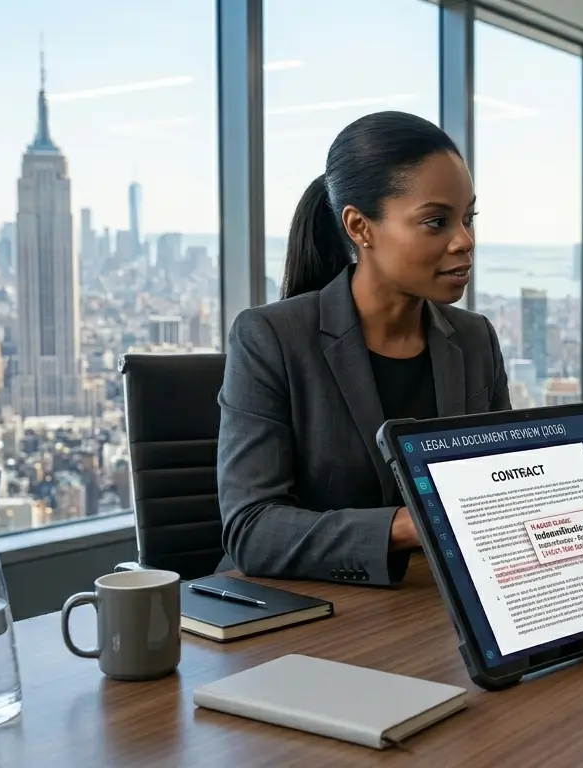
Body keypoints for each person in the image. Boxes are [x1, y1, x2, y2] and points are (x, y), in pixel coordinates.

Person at [216, 111, 510, 585]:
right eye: (436, 221)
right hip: (303, 617)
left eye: (468, 218)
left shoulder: (475, 340)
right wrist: (408, 526)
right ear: (360, 227)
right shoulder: (270, 338)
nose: (465, 241)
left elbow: (499, 487)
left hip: (435, 605)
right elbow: (252, 531)